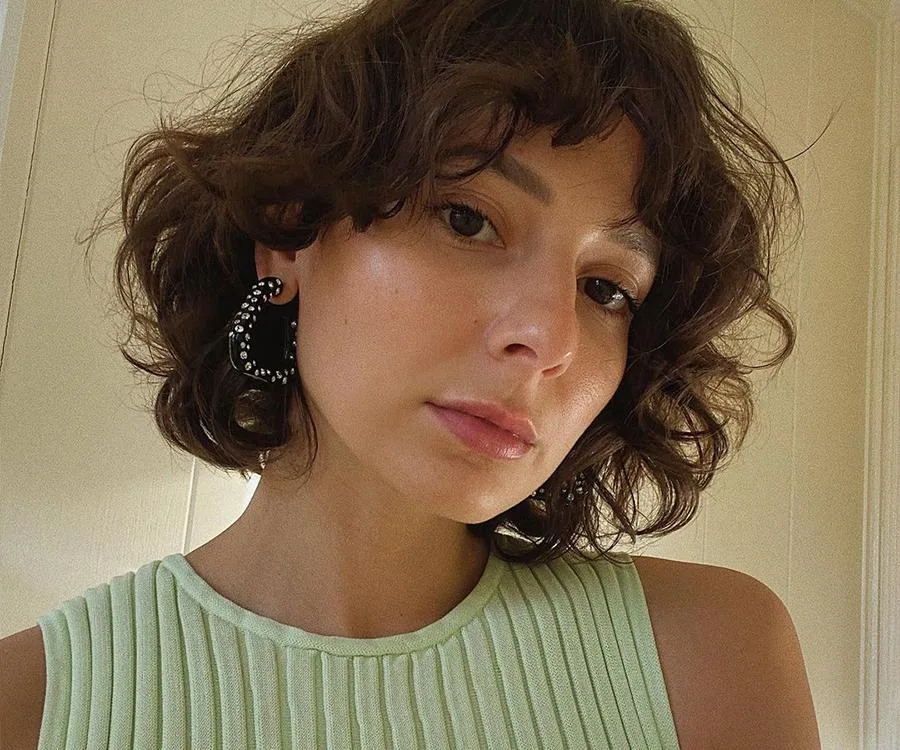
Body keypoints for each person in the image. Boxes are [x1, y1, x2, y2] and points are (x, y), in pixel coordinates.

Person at [0, 0, 822, 746]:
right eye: (469, 220)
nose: (550, 337)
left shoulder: (714, 661)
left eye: (606, 288)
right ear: (290, 234)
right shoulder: (32, 707)